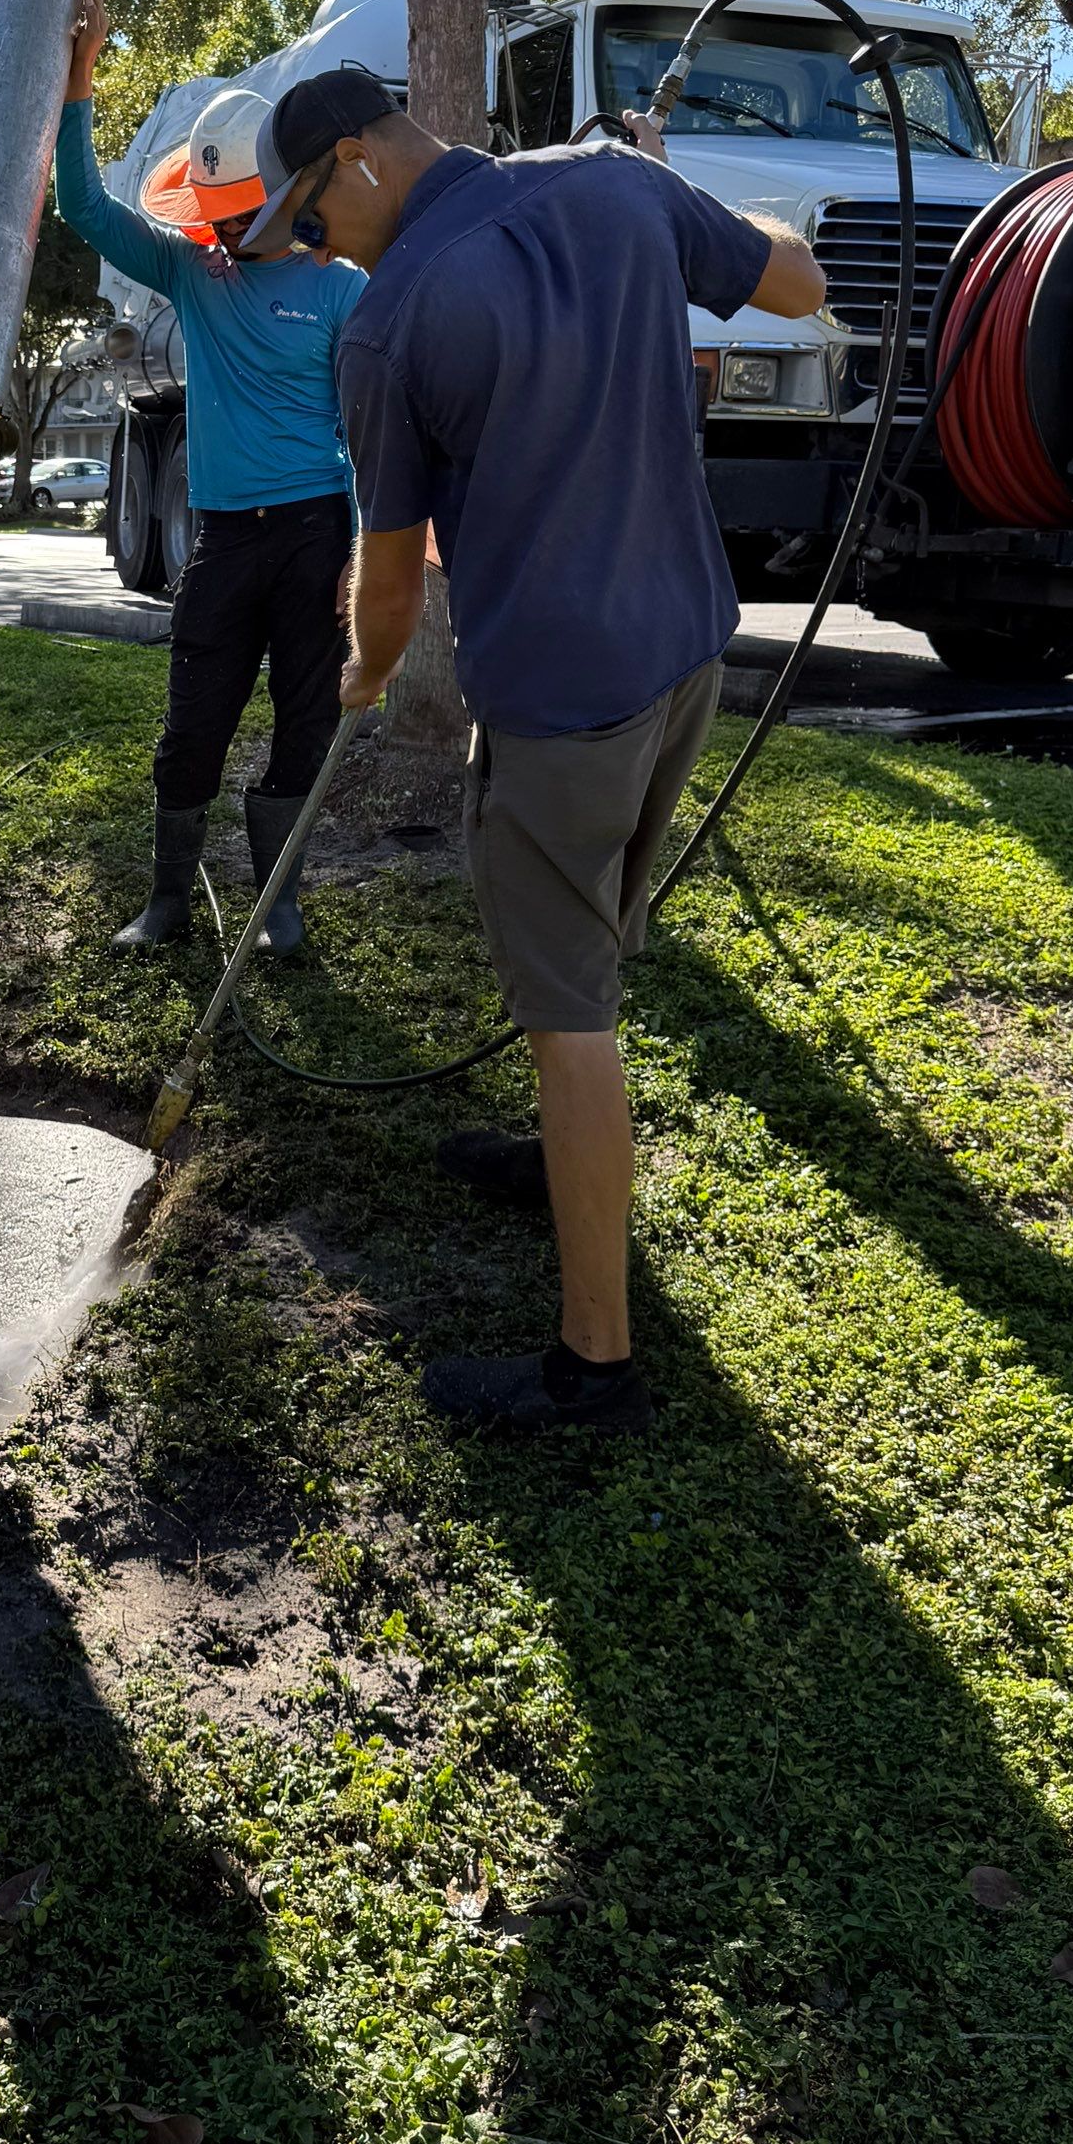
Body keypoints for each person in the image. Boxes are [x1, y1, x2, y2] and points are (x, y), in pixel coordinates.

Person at [241, 70, 825, 1433]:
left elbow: (387, 582)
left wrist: (367, 675)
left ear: (357, 161)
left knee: (574, 1018)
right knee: (585, 940)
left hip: (563, 700)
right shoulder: (617, 189)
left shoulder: (389, 330)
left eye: (311, 224)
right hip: (685, 656)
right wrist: (670, 192)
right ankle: (557, 1158)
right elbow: (794, 284)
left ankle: (596, 1368)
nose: (320, 253)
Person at [56, 0, 365, 955]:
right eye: (217, 216)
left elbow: (368, 427)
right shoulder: (194, 273)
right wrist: (81, 75)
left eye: (241, 213)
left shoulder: (341, 287)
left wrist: (364, 554)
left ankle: (280, 906)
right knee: (193, 729)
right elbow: (85, 211)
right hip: (225, 542)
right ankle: (167, 905)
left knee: (303, 731)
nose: (228, 234)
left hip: (319, 535)